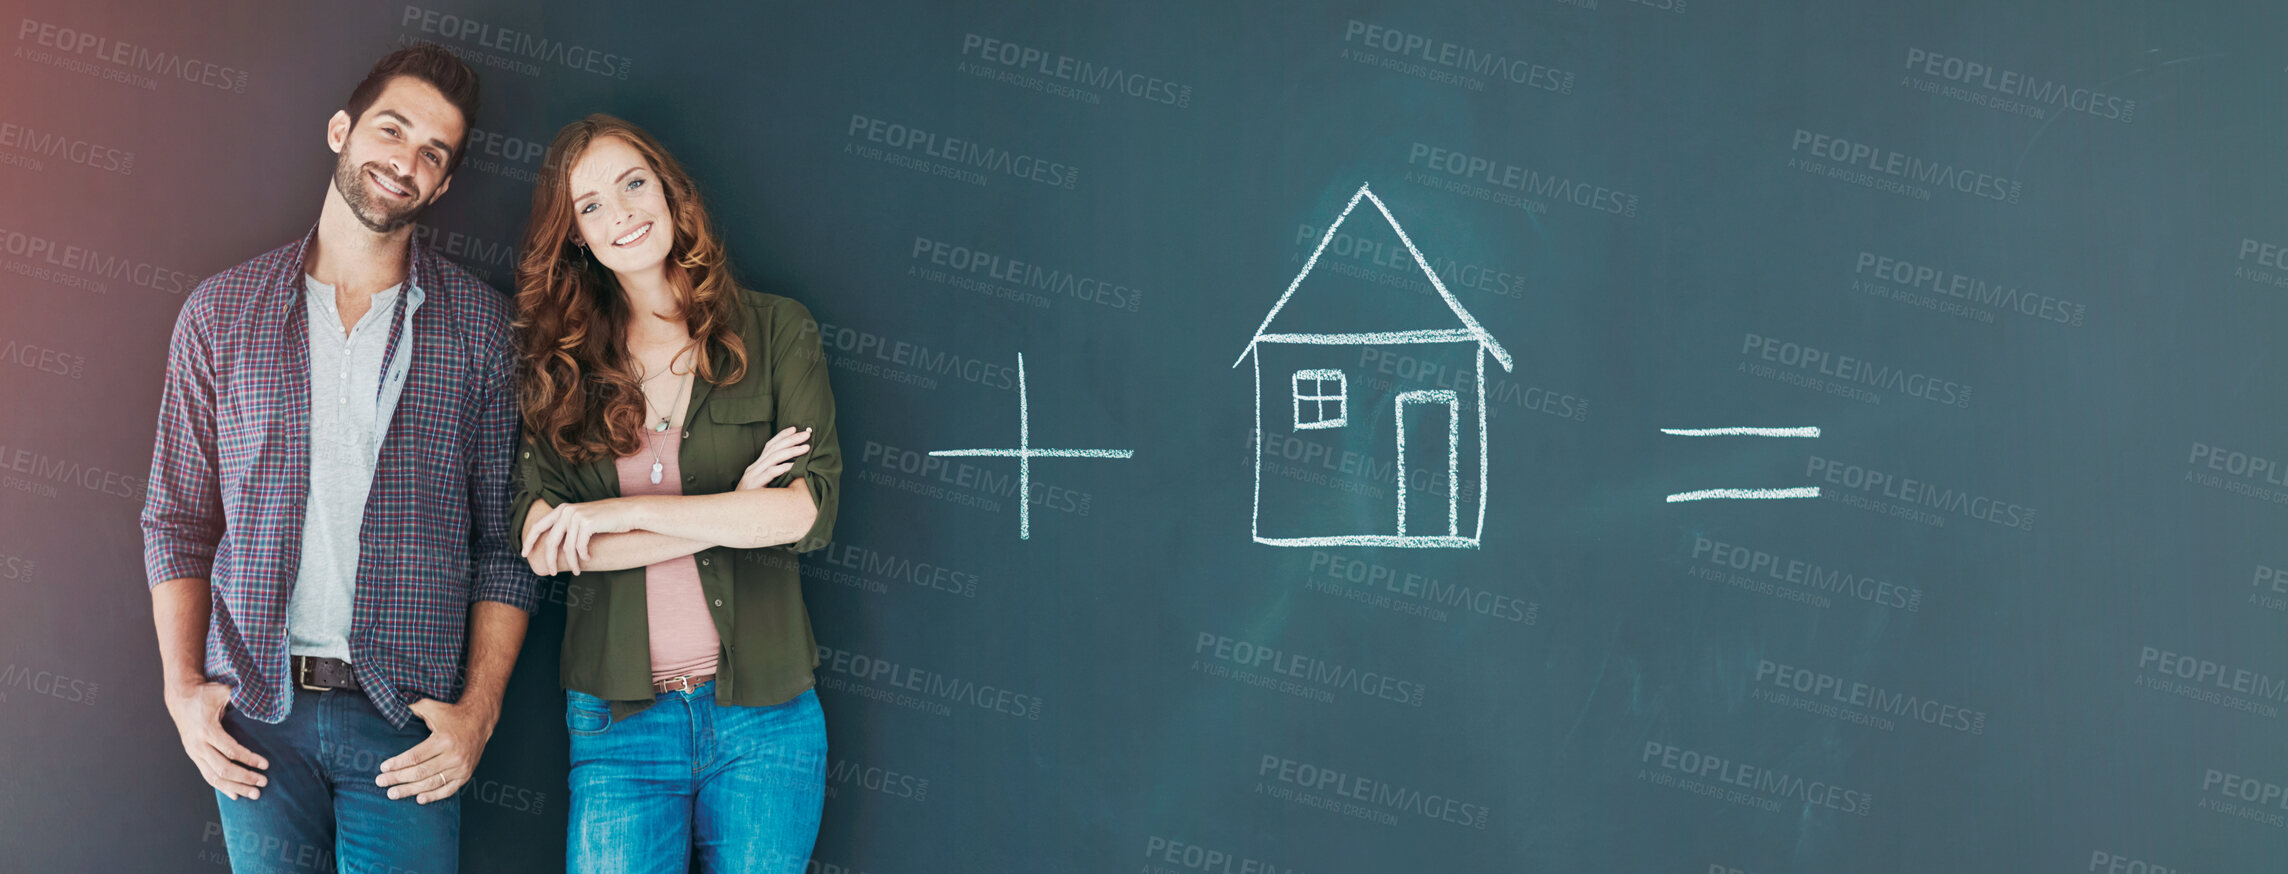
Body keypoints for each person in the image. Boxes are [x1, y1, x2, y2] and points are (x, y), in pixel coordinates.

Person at [139, 44, 536, 873]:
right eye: (393, 130)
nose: (407, 161)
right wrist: (182, 692)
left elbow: (506, 549)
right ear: (341, 130)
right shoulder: (220, 314)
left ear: (445, 185)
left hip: (407, 723)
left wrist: (479, 714)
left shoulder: (483, 332)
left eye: (435, 153)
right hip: (256, 718)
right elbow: (177, 519)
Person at [510, 113, 842, 873]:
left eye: (633, 184)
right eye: (590, 206)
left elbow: (802, 512)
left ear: (668, 191)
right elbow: (548, 548)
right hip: (618, 726)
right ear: (575, 239)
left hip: (766, 719)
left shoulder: (778, 330)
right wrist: (732, 511)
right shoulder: (557, 369)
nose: (621, 213)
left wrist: (619, 512)